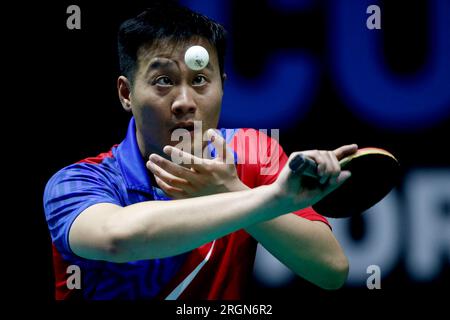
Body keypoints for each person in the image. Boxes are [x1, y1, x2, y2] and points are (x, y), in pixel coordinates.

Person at [44, 1, 357, 300]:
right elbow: (116, 238)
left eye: (199, 80)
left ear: (222, 86)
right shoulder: (77, 183)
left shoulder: (251, 155)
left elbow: (331, 270)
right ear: (126, 93)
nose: (185, 102)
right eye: (163, 80)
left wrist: (231, 188)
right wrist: (269, 199)